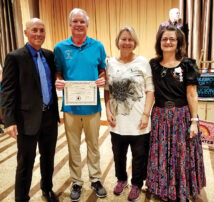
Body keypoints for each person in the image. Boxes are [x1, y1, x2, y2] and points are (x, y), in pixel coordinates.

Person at [146, 25, 206, 202]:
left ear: (179, 42)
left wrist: (194, 121)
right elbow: (149, 91)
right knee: (162, 153)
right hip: (160, 116)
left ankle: (183, 188)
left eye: (172, 39)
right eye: (164, 39)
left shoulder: (187, 64)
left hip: (182, 116)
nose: (168, 42)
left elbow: (192, 94)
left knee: (182, 154)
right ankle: (163, 189)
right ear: (159, 42)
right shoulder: (153, 65)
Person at [2, 18, 59, 202]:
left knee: (48, 157)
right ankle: (21, 197)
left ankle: (47, 189)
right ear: (26, 32)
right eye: (34, 30)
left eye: (42, 30)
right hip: (26, 119)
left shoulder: (49, 55)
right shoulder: (14, 57)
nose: (38, 34)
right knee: (25, 162)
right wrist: (9, 121)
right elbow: (8, 91)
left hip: (49, 116)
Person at [54, 8, 107, 201]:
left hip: (92, 107)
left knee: (94, 145)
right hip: (70, 108)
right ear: (70, 24)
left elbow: (103, 70)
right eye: (75, 21)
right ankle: (76, 181)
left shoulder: (97, 46)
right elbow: (58, 72)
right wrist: (58, 81)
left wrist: (102, 79)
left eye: (82, 22)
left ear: (87, 25)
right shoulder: (60, 48)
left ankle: (95, 179)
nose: (78, 25)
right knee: (73, 147)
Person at [104, 26, 154, 202]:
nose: (126, 42)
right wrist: (108, 111)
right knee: (118, 154)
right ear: (118, 41)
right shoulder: (110, 64)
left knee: (139, 154)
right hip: (117, 120)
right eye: (123, 39)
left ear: (135, 42)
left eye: (130, 39)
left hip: (139, 119)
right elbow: (107, 90)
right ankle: (121, 179)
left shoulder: (142, 62)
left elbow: (150, 90)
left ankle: (136, 184)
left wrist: (146, 114)